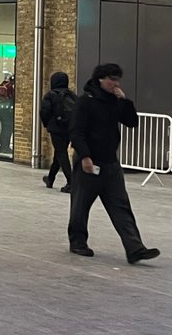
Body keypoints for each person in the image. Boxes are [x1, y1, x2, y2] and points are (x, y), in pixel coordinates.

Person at [66, 63, 159, 265]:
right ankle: (78, 242)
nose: (115, 83)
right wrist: (84, 157)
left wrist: (125, 101)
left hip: (110, 163)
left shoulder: (114, 101)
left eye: (117, 80)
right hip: (89, 161)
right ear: (100, 79)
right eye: (112, 79)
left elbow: (132, 122)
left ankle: (135, 248)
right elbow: (76, 131)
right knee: (81, 205)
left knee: (121, 206)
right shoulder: (85, 102)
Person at [39, 70, 77, 192]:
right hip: (70, 127)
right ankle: (50, 178)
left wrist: (47, 124)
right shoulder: (72, 95)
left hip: (56, 128)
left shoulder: (50, 95)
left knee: (61, 153)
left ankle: (72, 182)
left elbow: (44, 112)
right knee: (59, 153)